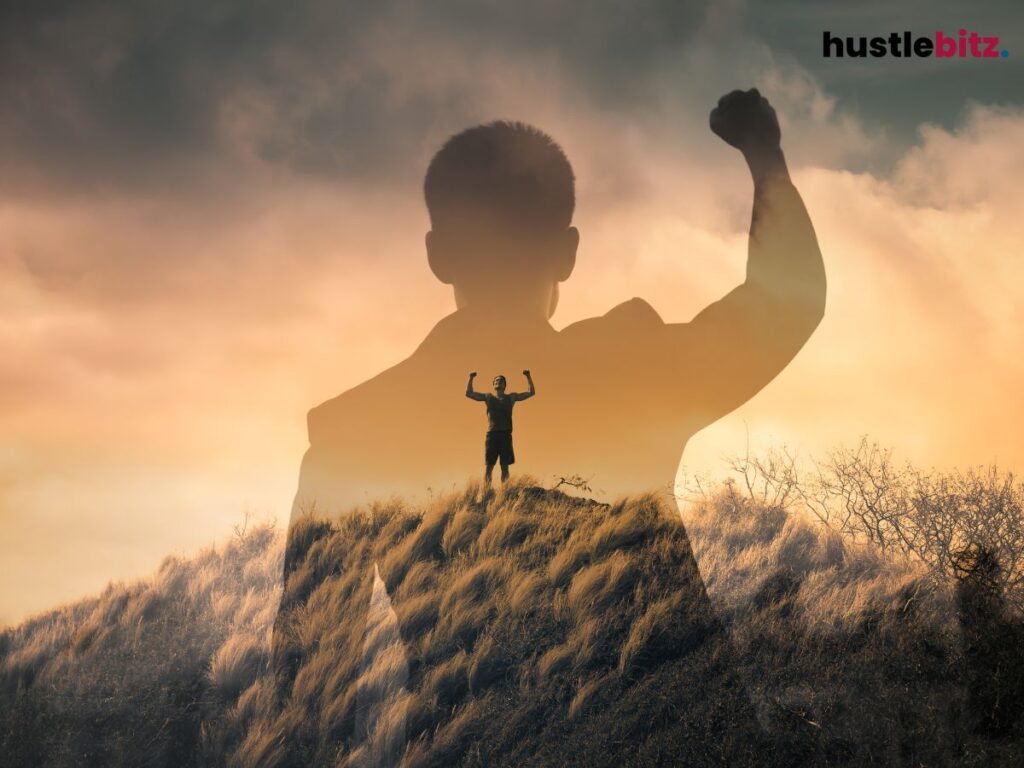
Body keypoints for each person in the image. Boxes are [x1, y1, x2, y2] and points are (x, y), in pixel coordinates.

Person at [289, 88, 825, 527]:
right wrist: (763, 154)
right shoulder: (634, 376)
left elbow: (307, 653)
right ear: (567, 254)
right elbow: (783, 308)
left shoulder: (351, 432)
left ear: (438, 257)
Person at [466, 370, 535, 484]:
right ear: (493, 385)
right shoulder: (488, 396)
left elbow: (531, 392)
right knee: (489, 467)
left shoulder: (511, 397)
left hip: (505, 435)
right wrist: (471, 378)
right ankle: (487, 493)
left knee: (504, 467)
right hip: (492, 435)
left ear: (504, 385)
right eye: (496, 380)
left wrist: (528, 376)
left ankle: (505, 492)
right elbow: (469, 393)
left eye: (501, 380)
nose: (499, 382)